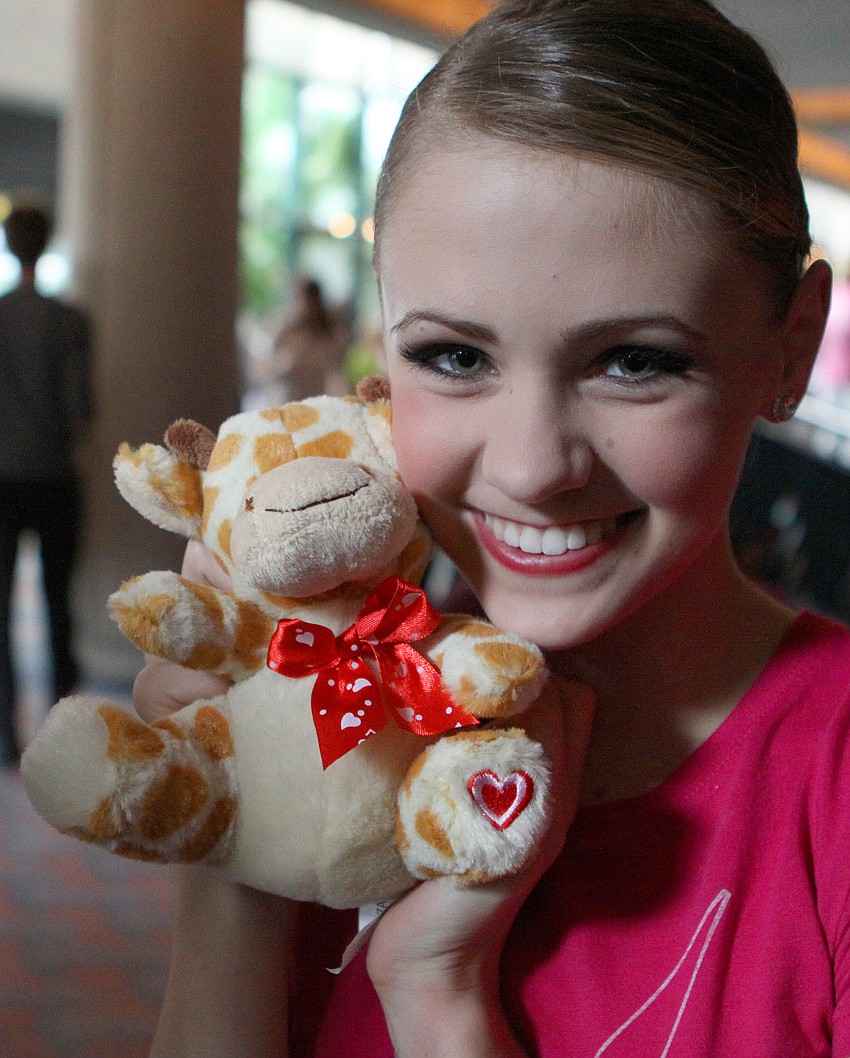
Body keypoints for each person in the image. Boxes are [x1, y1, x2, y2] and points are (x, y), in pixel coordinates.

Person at [134, 1, 841, 1054]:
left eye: (635, 360)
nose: (529, 467)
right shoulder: (342, 711)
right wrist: (240, 836)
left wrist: (440, 997)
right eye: (456, 356)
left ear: (788, 348)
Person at [0, 200, 93, 767]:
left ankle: (5, 737)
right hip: (56, 479)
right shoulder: (71, 321)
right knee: (59, 606)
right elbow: (82, 410)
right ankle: (61, 736)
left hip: (0, 480)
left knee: (0, 609)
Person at [260, 276, 351, 404]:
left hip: (318, 402)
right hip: (288, 401)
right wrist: (285, 366)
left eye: (310, 300)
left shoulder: (331, 332)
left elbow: (338, 369)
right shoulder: (285, 330)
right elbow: (266, 368)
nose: (306, 306)